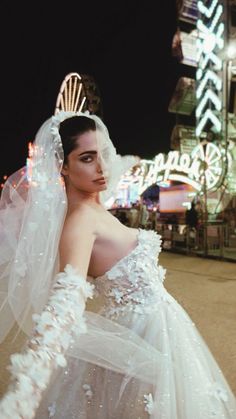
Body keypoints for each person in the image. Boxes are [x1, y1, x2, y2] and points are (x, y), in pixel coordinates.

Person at [0, 111, 235, 419]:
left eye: (103, 155)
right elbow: (63, 308)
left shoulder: (96, 209)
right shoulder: (80, 223)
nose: (101, 167)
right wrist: (25, 390)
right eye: (87, 158)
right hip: (140, 339)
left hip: (157, 332)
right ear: (63, 166)